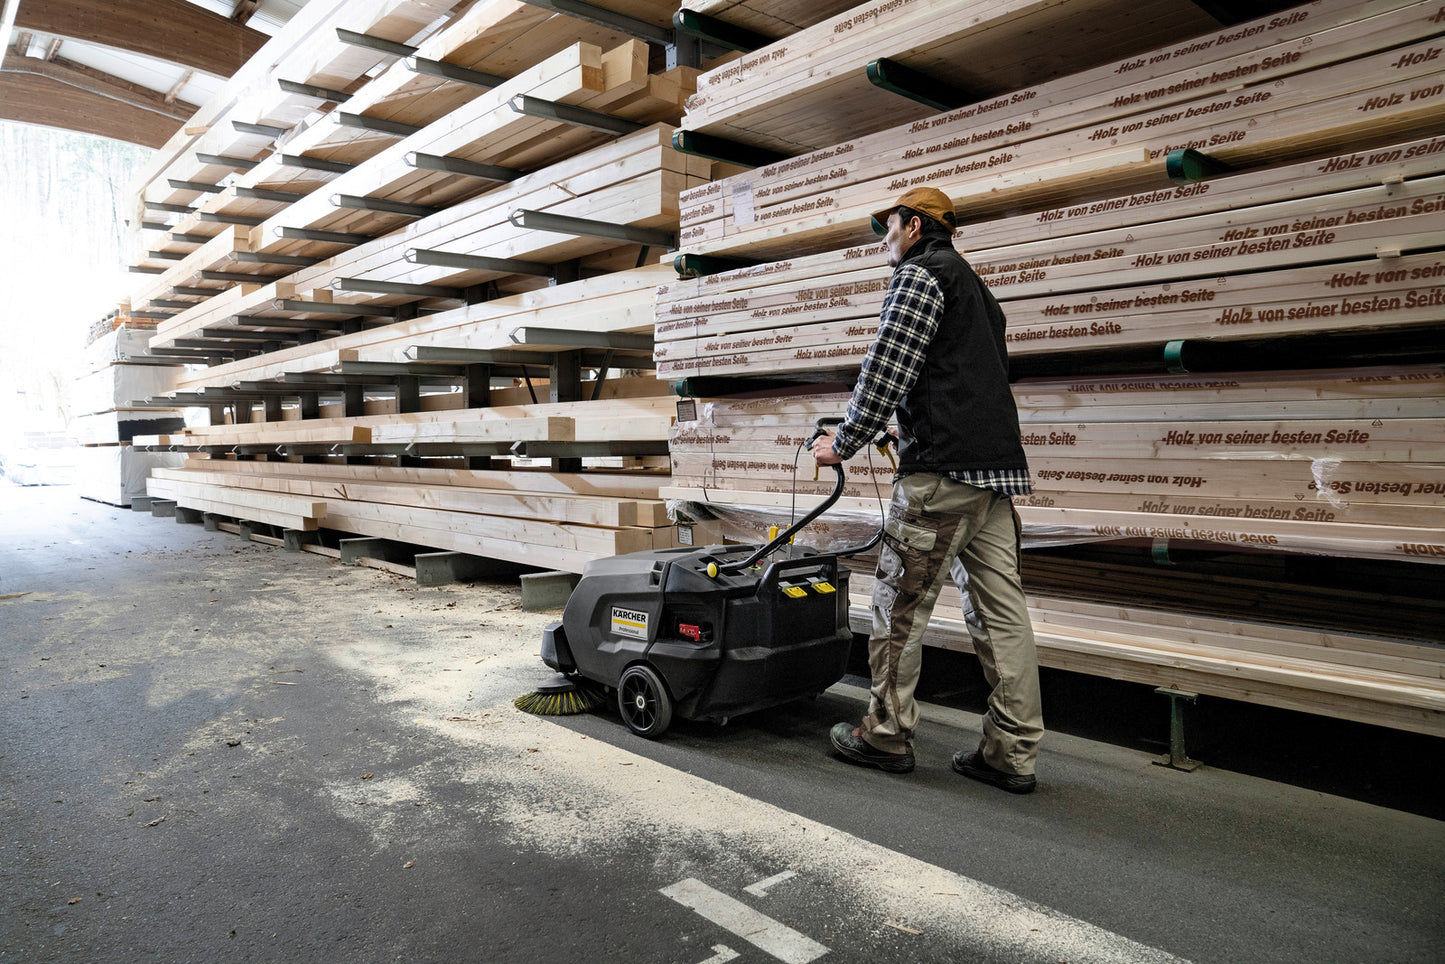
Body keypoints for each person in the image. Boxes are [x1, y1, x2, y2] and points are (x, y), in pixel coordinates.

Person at [811, 186, 1043, 793]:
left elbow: (887, 365)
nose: (883, 240)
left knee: (898, 610)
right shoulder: (976, 290)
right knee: (1002, 617)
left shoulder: (920, 274)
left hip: (940, 481)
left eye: (887, 227)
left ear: (914, 227)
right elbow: (957, 379)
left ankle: (884, 736)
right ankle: (1012, 753)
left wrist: (845, 439)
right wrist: (908, 421)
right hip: (994, 481)